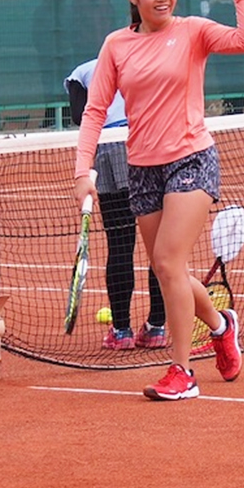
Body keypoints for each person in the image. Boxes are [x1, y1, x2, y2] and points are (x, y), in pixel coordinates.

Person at [72, 0, 244, 401]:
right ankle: (220, 324)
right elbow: (95, 111)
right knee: (165, 267)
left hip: (192, 158)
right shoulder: (116, 45)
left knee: (170, 263)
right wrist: (84, 170)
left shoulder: (193, 30)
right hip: (142, 167)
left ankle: (182, 372)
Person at [65, 58, 167, 350]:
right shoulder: (144, 58)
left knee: (120, 243)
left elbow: (78, 116)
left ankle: (121, 332)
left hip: (109, 148)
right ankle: (156, 327)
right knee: (158, 244)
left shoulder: (80, 72)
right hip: (147, 144)